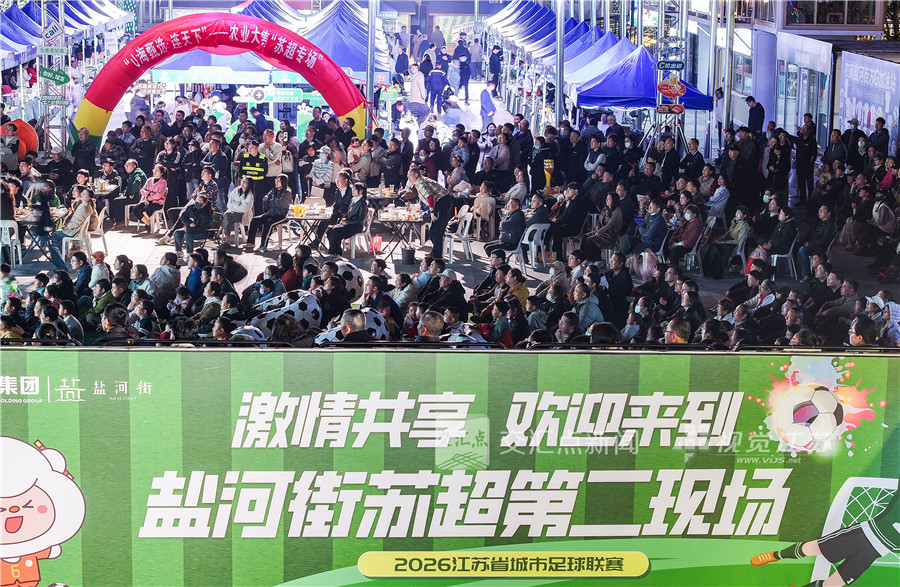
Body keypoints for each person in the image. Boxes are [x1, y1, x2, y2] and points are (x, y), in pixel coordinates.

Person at [244, 173, 292, 253]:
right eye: (275, 180)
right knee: (255, 220)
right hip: (271, 213)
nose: (276, 182)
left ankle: (263, 245)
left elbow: (280, 203)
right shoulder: (274, 190)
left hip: (281, 215)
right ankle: (250, 242)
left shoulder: (287, 192)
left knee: (268, 224)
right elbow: (265, 198)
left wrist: (270, 202)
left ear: (283, 182)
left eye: (278, 181)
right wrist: (270, 202)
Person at [325, 182, 368, 256]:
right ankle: (334, 250)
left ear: (361, 191)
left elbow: (360, 219)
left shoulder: (363, 203)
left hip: (356, 226)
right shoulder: (353, 199)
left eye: (355, 190)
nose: (353, 191)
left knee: (336, 231)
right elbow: (349, 213)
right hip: (349, 223)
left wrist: (348, 222)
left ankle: (336, 252)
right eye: (353, 190)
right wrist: (344, 219)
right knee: (330, 231)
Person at [172, 193, 212, 259]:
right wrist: (189, 223)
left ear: (204, 204)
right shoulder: (190, 208)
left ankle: (189, 253)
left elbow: (203, 228)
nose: (197, 202)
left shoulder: (207, 213)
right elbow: (183, 217)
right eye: (197, 200)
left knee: (188, 234)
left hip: (201, 232)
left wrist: (189, 228)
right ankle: (178, 251)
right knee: (177, 233)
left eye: (200, 201)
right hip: (189, 228)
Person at [131, 164, 168, 229]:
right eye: (154, 170)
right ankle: (149, 223)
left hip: (157, 203)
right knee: (136, 208)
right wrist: (149, 193)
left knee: (145, 209)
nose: (155, 172)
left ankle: (149, 225)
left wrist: (148, 197)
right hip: (147, 201)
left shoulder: (163, 182)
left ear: (161, 173)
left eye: (157, 171)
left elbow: (158, 195)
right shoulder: (149, 180)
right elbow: (142, 190)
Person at [222, 177, 255, 247]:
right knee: (227, 215)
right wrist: (238, 206)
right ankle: (226, 240)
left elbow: (245, 208)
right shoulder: (236, 190)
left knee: (227, 216)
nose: (242, 183)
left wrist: (235, 205)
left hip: (242, 215)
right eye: (242, 181)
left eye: (245, 182)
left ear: (249, 184)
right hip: (232, 212)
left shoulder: (250, 195)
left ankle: (225, 238)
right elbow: (229, 203)